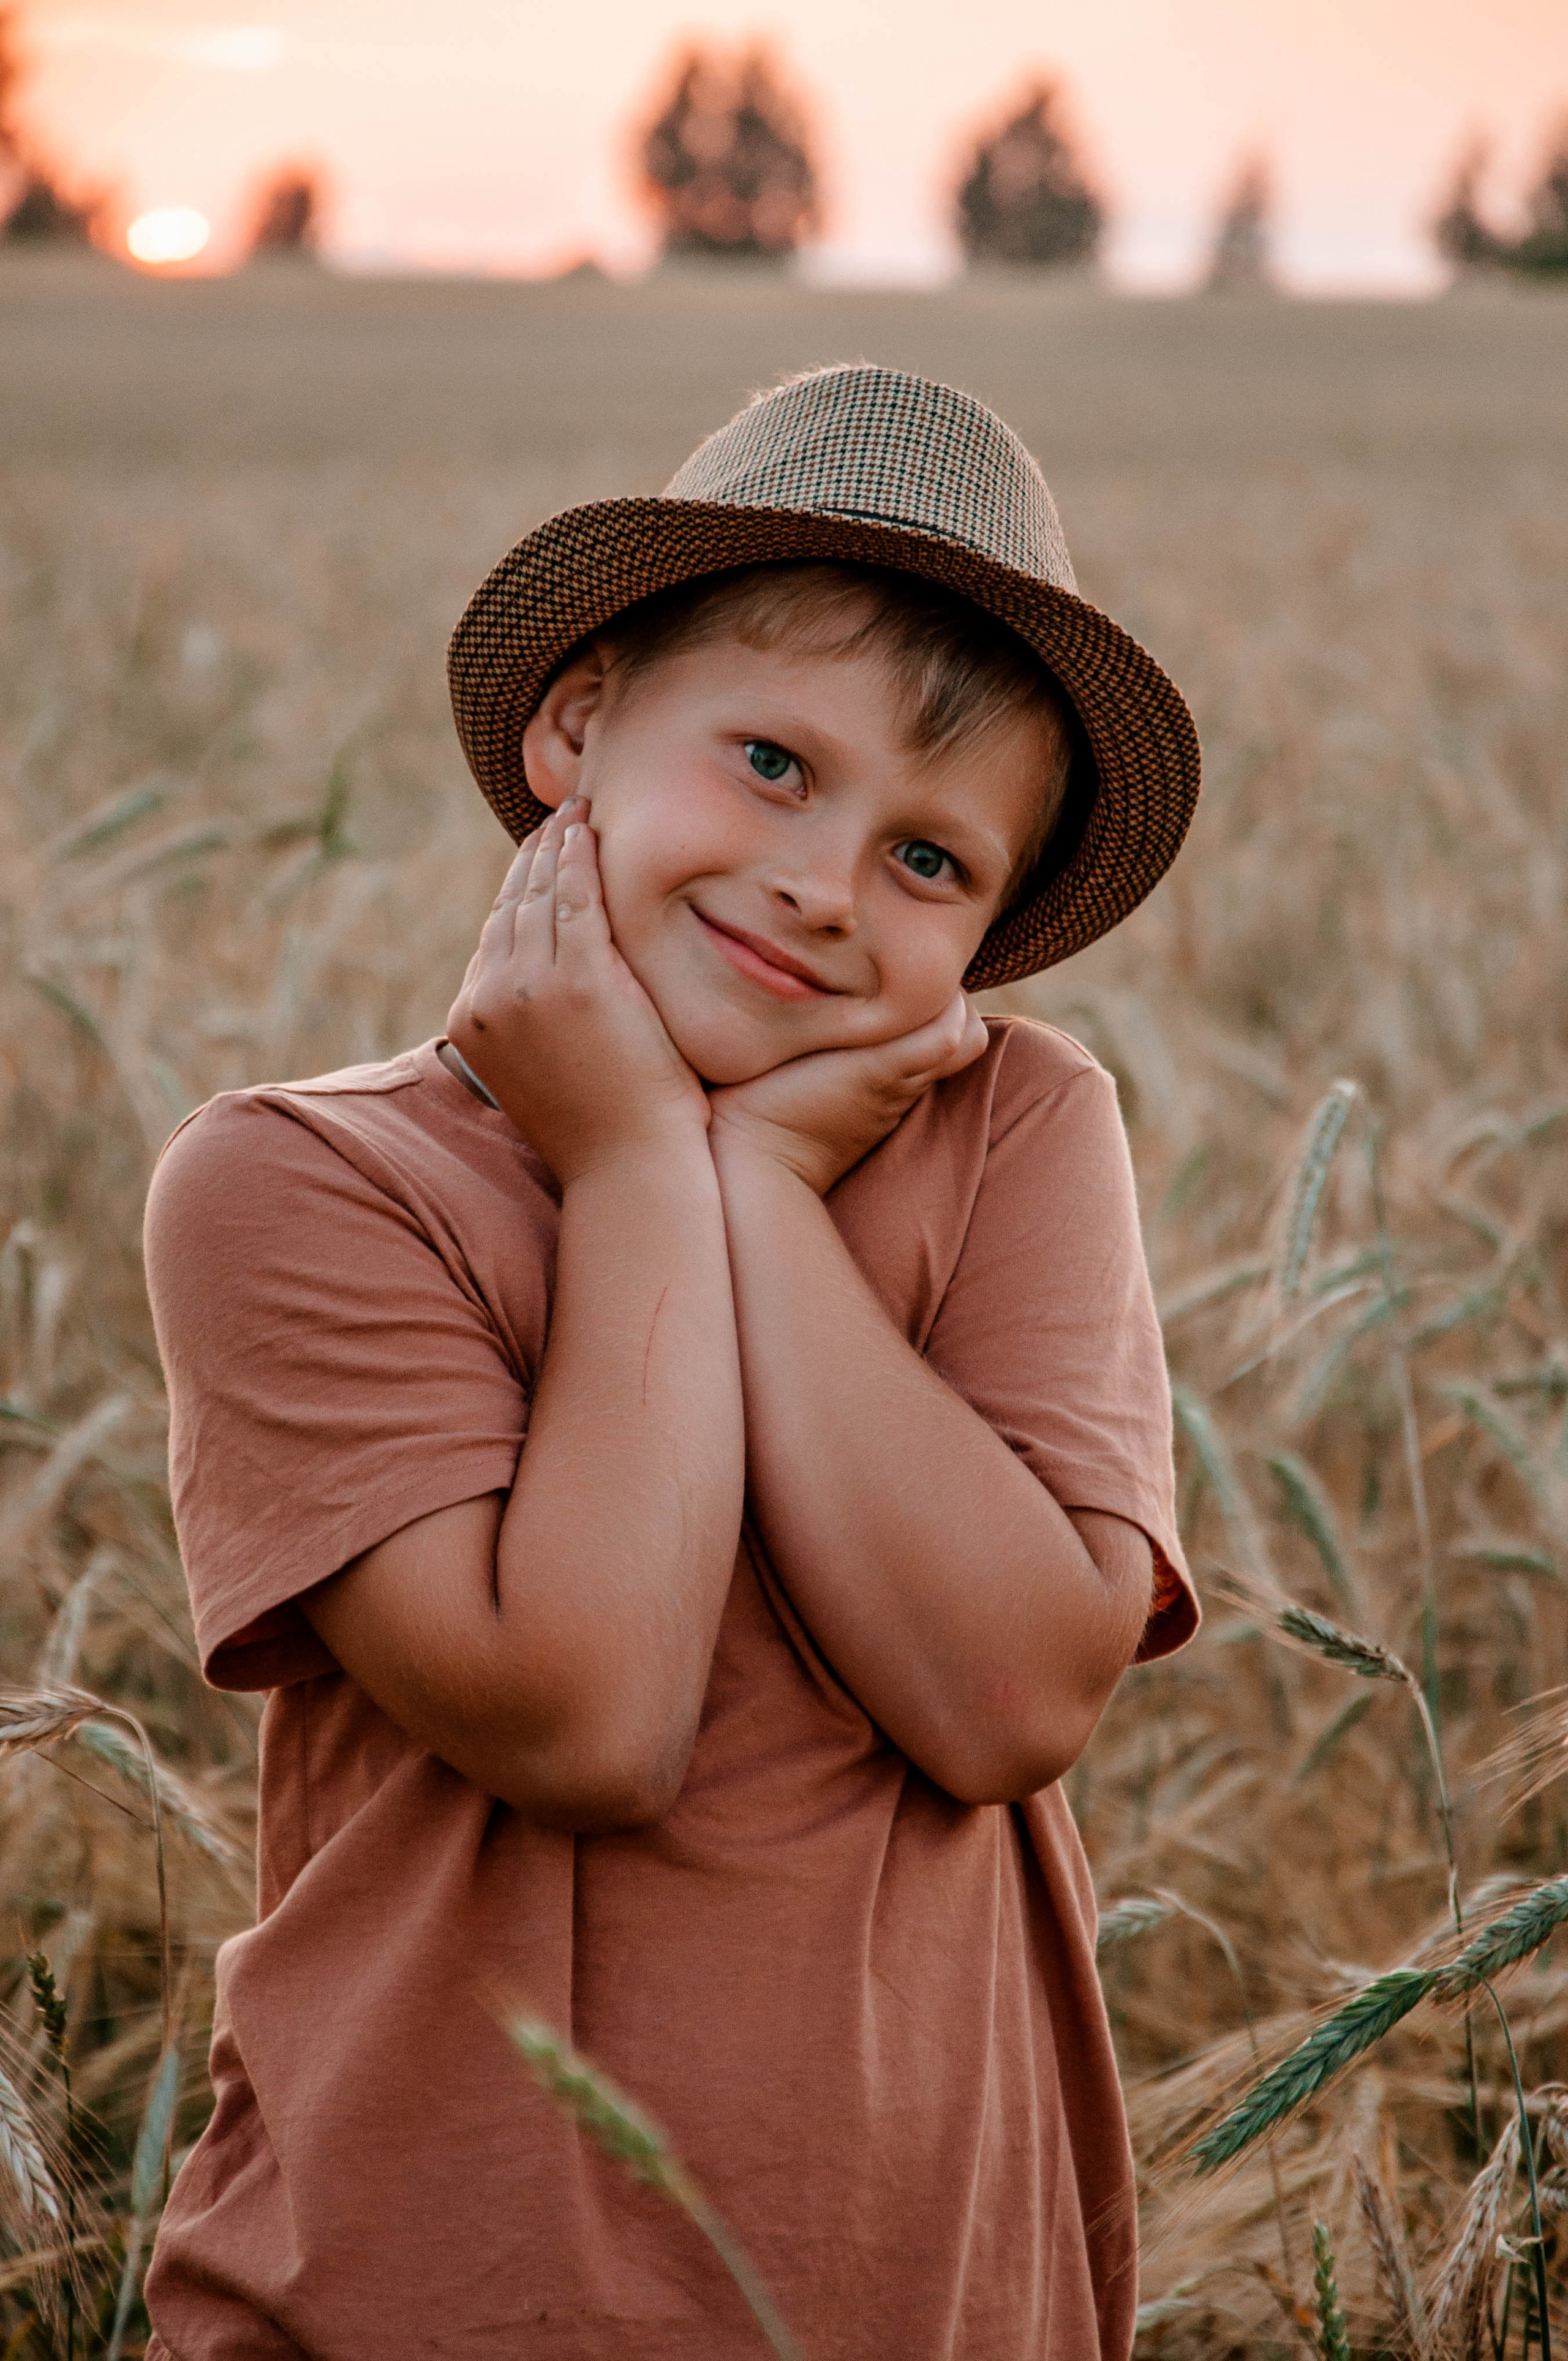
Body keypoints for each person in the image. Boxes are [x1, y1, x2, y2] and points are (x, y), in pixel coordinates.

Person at [142, 363, 1202, 2361]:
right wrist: (642, 1156)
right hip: (418, 2285)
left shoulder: (1023, 1130)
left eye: (931, 862)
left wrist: (767, 1191)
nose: (824, 880)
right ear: (579, 722)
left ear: (988, 936)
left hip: (928, 2293)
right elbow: (589, 1718)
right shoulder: (303, 1182)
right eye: (777, 764)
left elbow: (1002, 1703)